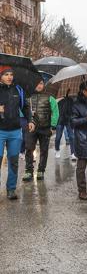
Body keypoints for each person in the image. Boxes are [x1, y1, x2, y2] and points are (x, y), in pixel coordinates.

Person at [0, 66, 33, 200]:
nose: (9, 77)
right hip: (0, 131)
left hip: (15, 131)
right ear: (0, 76)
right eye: (6, 74)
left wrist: (30, 120)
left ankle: (11, 189)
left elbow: (25, 107)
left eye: (11, 74)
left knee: (14, 162)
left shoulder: (18, 89)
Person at [23, 80, 59, 181]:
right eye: (37, 83)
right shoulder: (27, 98)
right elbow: (22, 112)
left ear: (44, 85)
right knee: (29, 149)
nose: (39, 85)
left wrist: (53, 126)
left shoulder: (50, 98)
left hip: (45, 128)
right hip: (31, 128)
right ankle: (28, 171)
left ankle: (41, 170)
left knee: (44, 150)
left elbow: (55, 112)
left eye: (41, 83)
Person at [55, 90, 76, 160]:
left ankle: (73, 153)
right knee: (58, 137)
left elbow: (74, 111)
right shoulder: (60, 102)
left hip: (69, 120)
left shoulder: (72, 101)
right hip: (60, 121)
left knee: (72, 137)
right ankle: (57, 149)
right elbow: (56, 112)